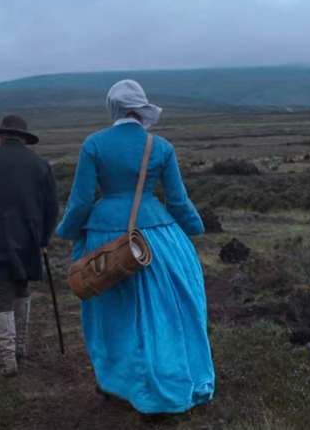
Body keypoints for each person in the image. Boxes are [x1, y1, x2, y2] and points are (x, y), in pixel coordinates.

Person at [56, 79, 214, 415]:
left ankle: (117, 383)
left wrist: (68, 231)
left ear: (113, 107)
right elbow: (177, 199)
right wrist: (194, 229)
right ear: (141, 108)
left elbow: (82, 199)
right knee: (167, 313)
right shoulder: (160, 147)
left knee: (113, 313)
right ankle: (167, 380)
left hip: (105, 237)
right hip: (156, 238)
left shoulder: (94, 144)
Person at [0, 115, 59, 377]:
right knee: (22, 287)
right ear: (24, 139)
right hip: (30, 235)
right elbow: (51, 207)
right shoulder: (40, 164)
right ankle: (19, 350)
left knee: (1, 292)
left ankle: (8, 361)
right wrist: (44, 238)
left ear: (0, 136)